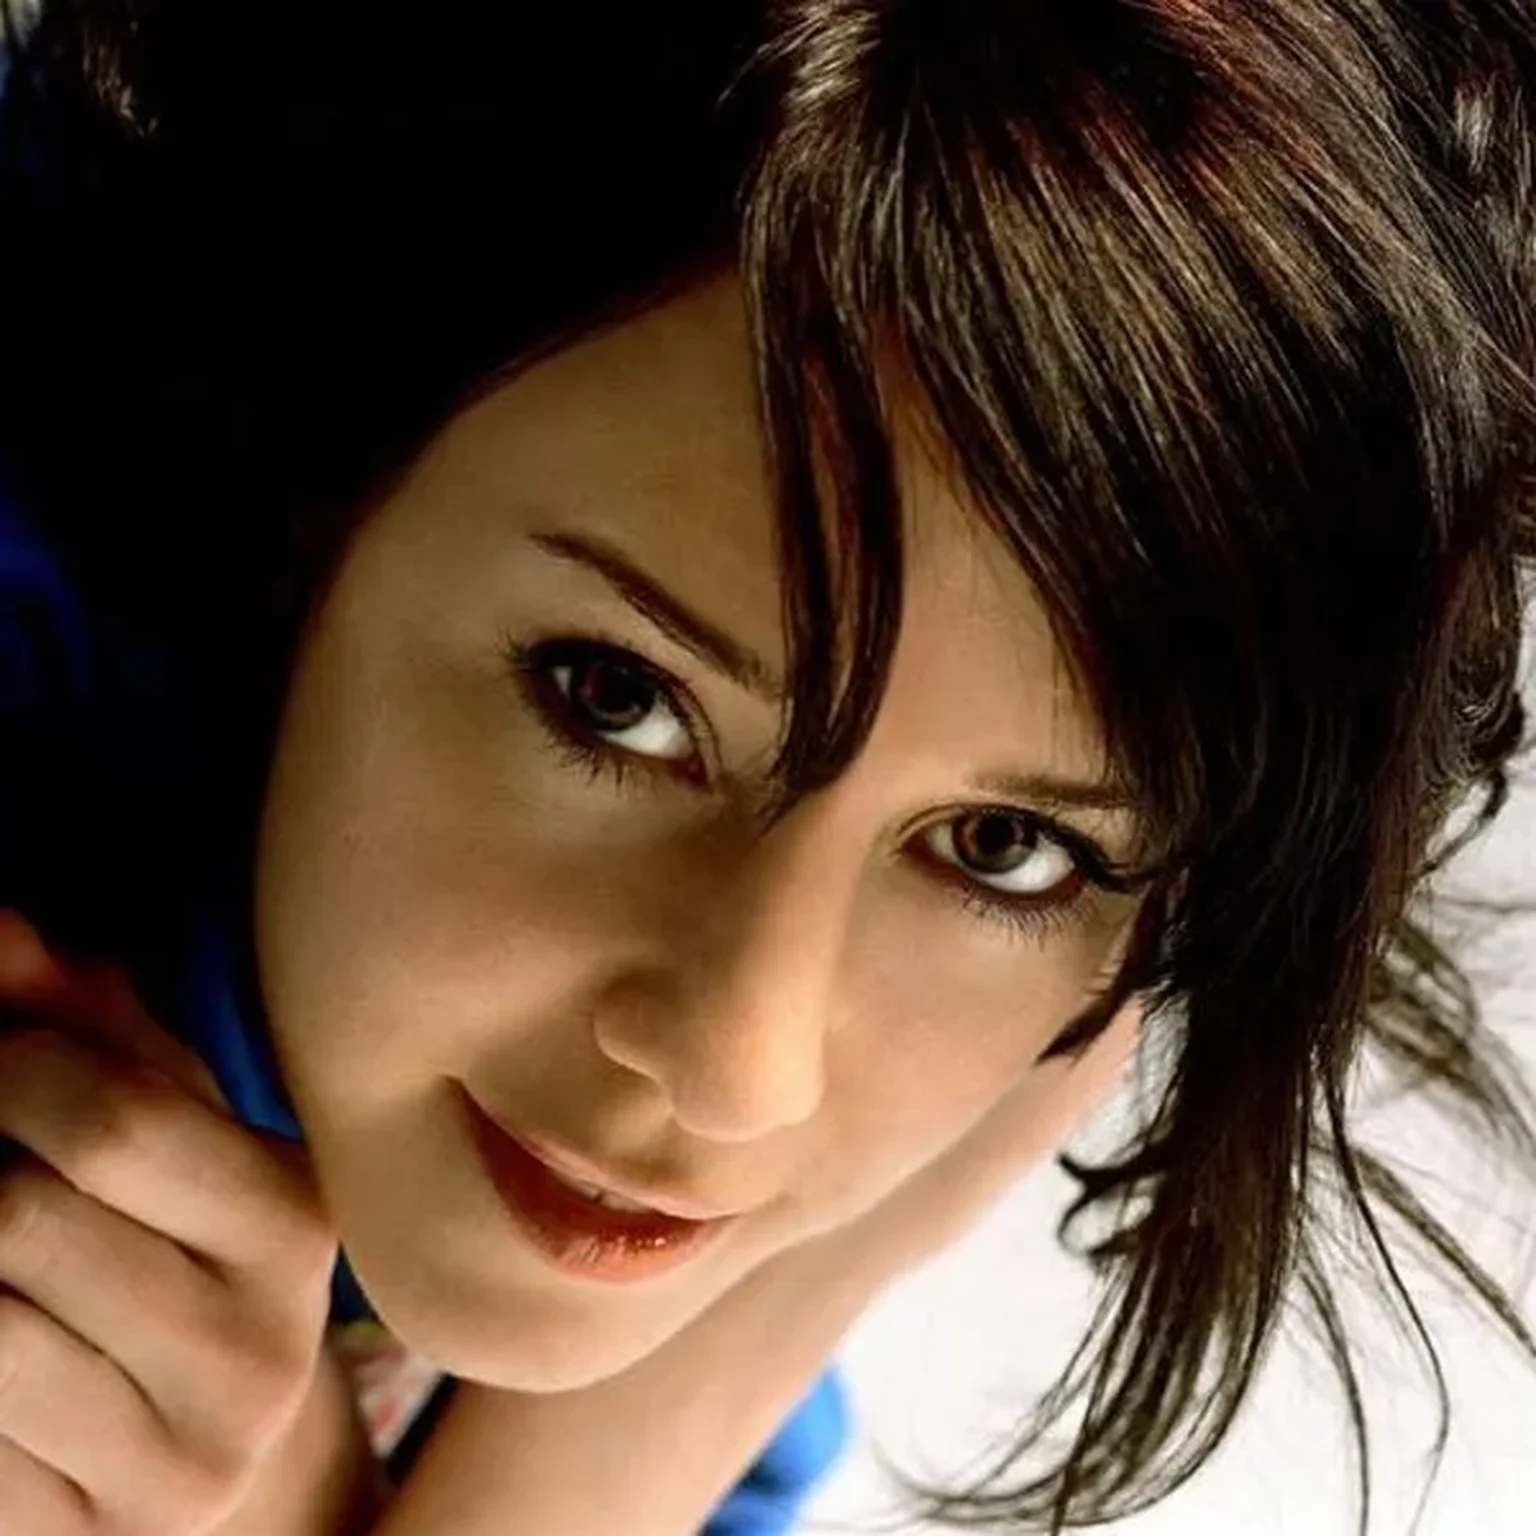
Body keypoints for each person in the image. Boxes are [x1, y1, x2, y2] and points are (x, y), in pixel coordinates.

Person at [1, 1, 1534, 1532]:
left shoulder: (641, 1240)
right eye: (618, 700)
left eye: (1002, 846)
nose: (736, 1072)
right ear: (316, 466)